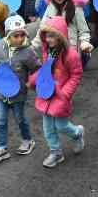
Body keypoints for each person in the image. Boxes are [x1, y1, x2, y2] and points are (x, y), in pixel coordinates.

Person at [0, 14, 39, 163]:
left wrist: (32, 83)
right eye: (16, 35)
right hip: (0, 92)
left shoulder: (28, 51)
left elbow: (36, 69)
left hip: (18, 94)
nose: (19, 39)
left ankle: (27, 140)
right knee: (1, 120)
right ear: (8, 35)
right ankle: (1, 148)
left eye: (22, 35)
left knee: (20, 119)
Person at [34, 14, 85, 168]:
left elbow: (76, 75)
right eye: (46, 36)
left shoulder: (71, 55)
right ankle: (56, 153)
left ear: (60, 37)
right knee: (48, 127)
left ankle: (77, 133)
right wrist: (34, 80)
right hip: (47, 94)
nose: (48, 39)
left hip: (61, 95)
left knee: (61, 126)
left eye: (52, 36)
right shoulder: (47, 52)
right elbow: (45, 70)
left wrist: (65, 93)